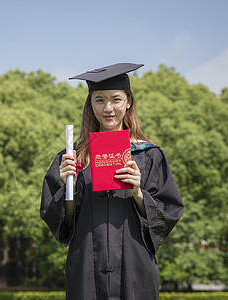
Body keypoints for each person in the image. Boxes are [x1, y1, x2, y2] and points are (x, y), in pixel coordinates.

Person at [40, 63, 184, 299]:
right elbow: (59, 221)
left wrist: (138, 192)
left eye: (116, 99)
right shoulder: (72, 157)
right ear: (90, 105)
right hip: (86, 267)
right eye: (99, 100)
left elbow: (167, 214)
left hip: (134, 269)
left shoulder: (149, 155)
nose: (108, 108)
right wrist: (69, 186)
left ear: (128, 102)